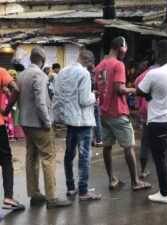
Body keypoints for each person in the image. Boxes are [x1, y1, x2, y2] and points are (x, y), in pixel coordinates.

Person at [8, 47, 72, 208]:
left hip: (26, 123)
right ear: (42, 60)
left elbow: (15, 96)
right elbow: (40, 102)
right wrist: (47, 122)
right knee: (48, 157)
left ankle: (35, 193)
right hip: (39, 123)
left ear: (31, 59)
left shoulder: (21, 75)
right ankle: (51, 197)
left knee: (31, 157)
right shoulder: (40, 75)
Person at [95, 36, 151, 191]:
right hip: (118, 112)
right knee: (128, 147)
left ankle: (112, 179)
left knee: (107, 146)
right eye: (125, 49)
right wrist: (135, 90)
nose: (125, 53)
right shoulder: (118, 65)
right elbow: (119, 89)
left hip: (104, 112)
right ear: (120, 47)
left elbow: (100, 88)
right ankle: (135, 182)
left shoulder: (99, 66)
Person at [137, 40, 167, 204]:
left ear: (157, 52)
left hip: (158, 121)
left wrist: (149, 95)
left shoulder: (154, 73)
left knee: (160, 158)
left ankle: (164, 194)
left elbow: (139, 90)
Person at [53, 50, 102, 201]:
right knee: (84, 156)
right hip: (83, 120)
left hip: (69, 119)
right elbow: (84, 100)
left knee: (69, 154)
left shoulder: (63, 72)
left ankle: (70, 187)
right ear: (89, 62)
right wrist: (94, 95)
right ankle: (83, 191)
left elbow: (58, 94)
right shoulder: (84, 74)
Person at [0, 67, 25, 211]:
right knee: (6, 160)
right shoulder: (1, 72)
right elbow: (16, 89)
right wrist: (7, 109)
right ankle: (8, 197)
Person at [134, 63, 155, 179]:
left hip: (144, 113)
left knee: (145, 142)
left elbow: (137, 98)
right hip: (157, 112)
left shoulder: (138, 79)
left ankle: (143, 170)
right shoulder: (157, 75)